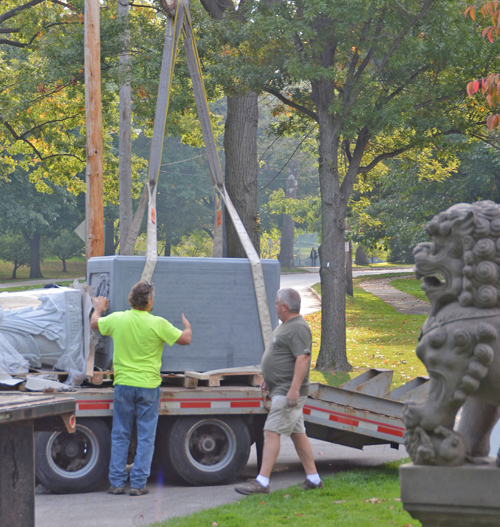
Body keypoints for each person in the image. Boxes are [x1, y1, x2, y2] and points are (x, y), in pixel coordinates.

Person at [90, 280, 192, 496]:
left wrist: (98, 308)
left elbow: (94, 324)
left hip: (124, 385)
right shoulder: (158, 323)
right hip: (148, 386)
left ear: (131, 299)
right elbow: (186, 339)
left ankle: (116, 483)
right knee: (146, 435)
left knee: (120, 434)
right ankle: (138, 484)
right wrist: (188, 325)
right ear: (150, 301)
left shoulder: (118, 320)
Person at [235, 288, 323, 495]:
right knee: (298, 434)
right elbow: (280, 355)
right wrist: (268, 377)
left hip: (287, 392)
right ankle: (314, 479)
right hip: (280, 388)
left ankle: (262, 482)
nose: (274, 306)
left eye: (276, 303)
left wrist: (293, 389)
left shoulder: (299, 328)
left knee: (270, 431)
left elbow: (303, 358)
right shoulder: (287, 326)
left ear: (285, 306)